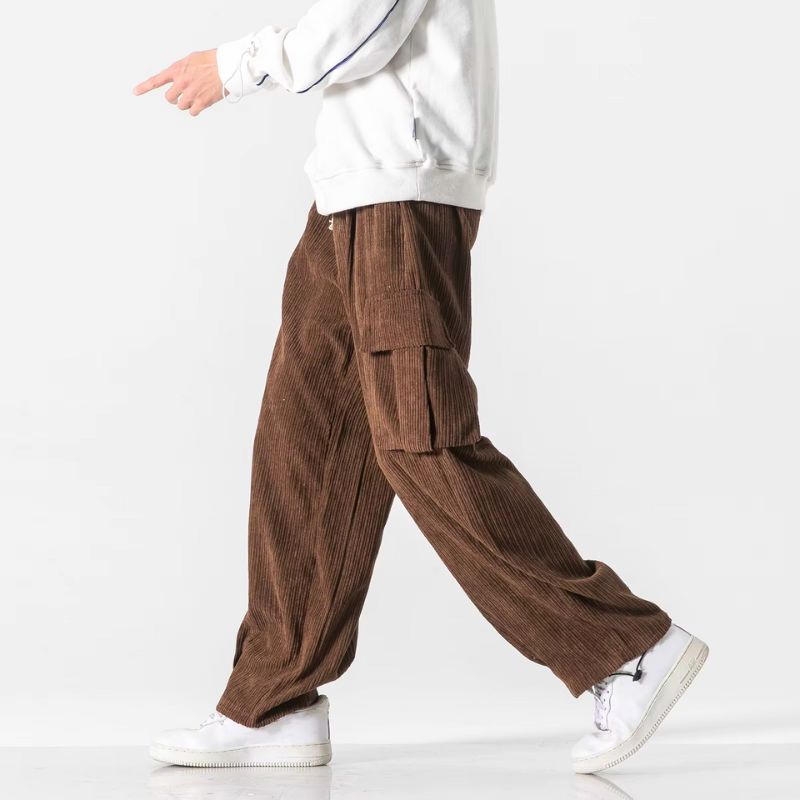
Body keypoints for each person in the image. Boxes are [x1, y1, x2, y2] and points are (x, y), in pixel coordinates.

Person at [134, 0, 708, 775]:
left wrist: (234, 67)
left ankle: (625, 649)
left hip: (398, 191)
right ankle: (275, 701)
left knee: (422, 438)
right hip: (356, 188)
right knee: (305, 439)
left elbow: (361, 28)